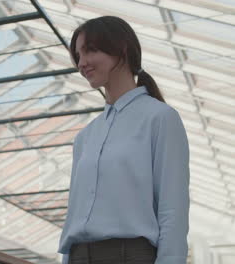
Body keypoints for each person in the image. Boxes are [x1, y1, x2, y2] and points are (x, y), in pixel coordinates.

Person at [58, 16, 190, 264]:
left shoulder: (160, 118)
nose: (82, 63)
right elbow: (73, 215)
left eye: (90, 51)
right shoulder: (85, 137)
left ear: (122, 49)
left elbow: (173, 209)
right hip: (79, 256)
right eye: (78, 55)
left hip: (130, 256)